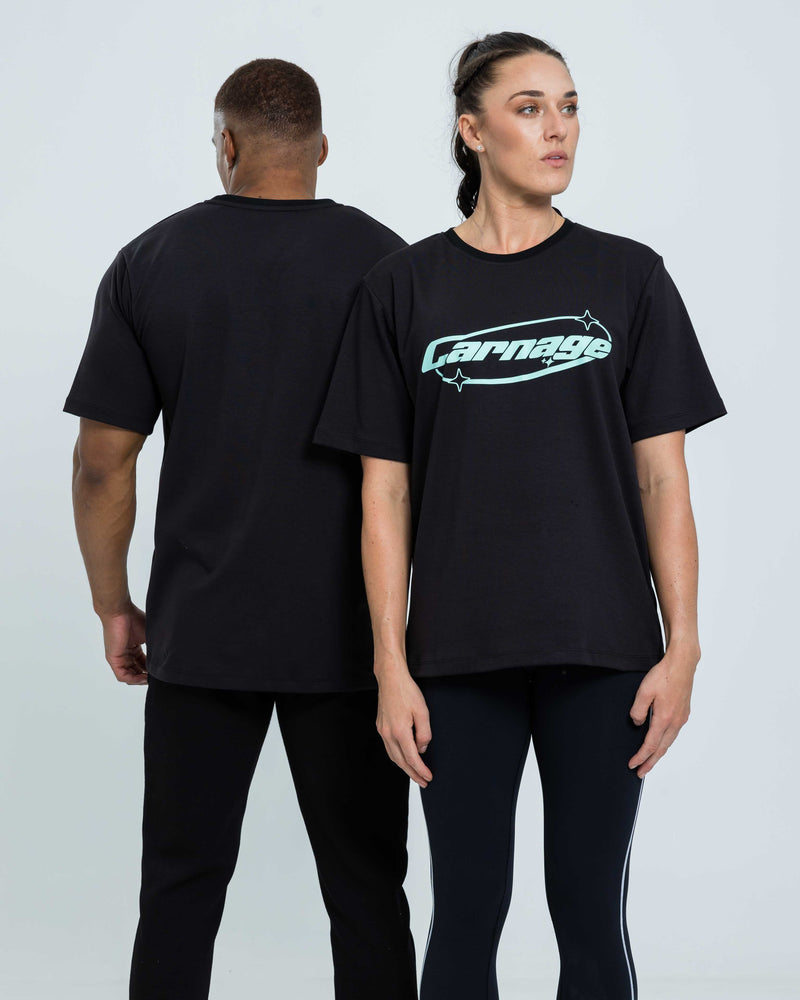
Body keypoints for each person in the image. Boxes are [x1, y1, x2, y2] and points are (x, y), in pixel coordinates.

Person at [312, 31, 727, 1000]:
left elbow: (662, 481)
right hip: (457, 656)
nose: (557, 129)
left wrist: (684, 646)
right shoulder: (403, 287)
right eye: (530, 108)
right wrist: (389, 664)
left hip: (605, 647)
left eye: (569, 107)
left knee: (589, 914)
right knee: (463, 916)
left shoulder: (629, 277)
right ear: (472, 131)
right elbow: (383, 492)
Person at [64, 58, 417, 1000]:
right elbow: (426, 465)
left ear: (225, 145)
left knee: (180, 890)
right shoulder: (391, 266)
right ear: (322, 148)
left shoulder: (151, 262)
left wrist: (113, 604)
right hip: (352, 639)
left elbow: (103, 462)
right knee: (368, 890)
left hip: (201, 629)